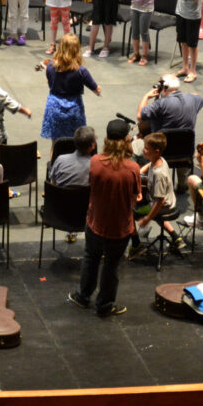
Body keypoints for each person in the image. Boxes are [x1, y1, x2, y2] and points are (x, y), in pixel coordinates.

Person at [67, 119, 140, 317]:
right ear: (127, 140)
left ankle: (83, 297)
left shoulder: (95, 161)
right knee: (111, 266)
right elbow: (136, 197)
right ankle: (105, 305)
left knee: (90, 258)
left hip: (96, 222)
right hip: (120, 226)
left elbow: (93, 185)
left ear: (106, 139)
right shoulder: (133, 168)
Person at [130, 132, 184, 258]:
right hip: (168, 200)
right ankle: (175, 238)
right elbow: (149, 165)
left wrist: (147, 219)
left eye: (146, 148)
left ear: (157, 151)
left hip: (163, 205)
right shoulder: (159, 160)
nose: (143, 150)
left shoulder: (158, 175)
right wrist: (139, 172)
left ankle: (136, 244)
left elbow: (159, 202)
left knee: (129, 212)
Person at [40, 34, 101, 146]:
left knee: (56, 144)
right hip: (74, 109)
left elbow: (50, 84)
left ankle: (55, 162)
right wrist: (98, 89)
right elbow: (96, 90)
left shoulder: (50, 67)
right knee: (76, 142)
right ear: (77, 50)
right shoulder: (81, 71)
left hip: (54, 108)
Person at [137, 73, 203, 133]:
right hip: (186, 144)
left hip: (162, 144)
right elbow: (201, 97)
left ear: (164, 89)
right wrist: (189, 96)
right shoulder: (192, 99)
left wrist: (146, 97)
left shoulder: (161, 104)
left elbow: (140, 116)